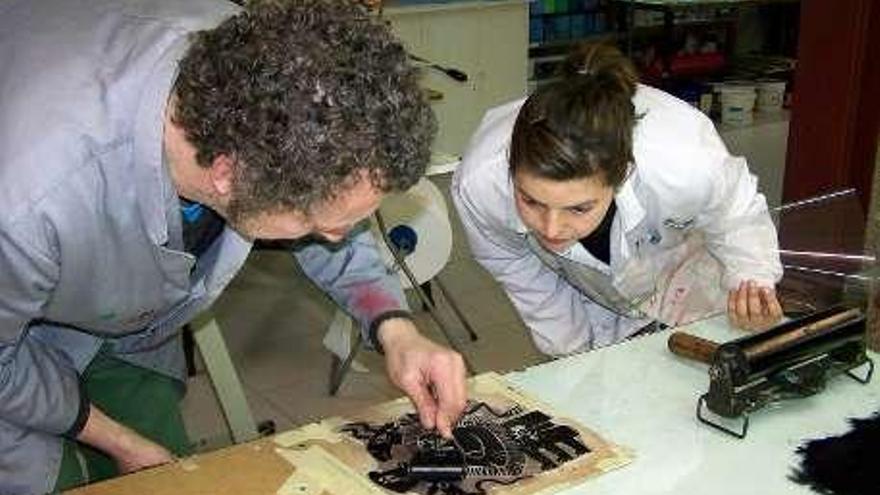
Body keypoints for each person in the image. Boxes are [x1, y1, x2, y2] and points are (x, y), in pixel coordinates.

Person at [0, 0, 468, 492]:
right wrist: (119, 441)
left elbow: (330, 207)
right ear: (226, 174)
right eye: (316, 224)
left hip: (123, 320)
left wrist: (395, 329)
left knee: (167, 479)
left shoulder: (261, 63)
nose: (337, 237)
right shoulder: (28, 203)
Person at [451, 43, 783, 356]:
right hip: (588, 291)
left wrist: (751, 282)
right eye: (531, 202)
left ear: (621, 175)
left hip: (681, 263)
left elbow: (737, 217)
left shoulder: (686, 161)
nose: (551, 229)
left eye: (579, 207)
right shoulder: (481, 183)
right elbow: (513, 264)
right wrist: (573, 352)